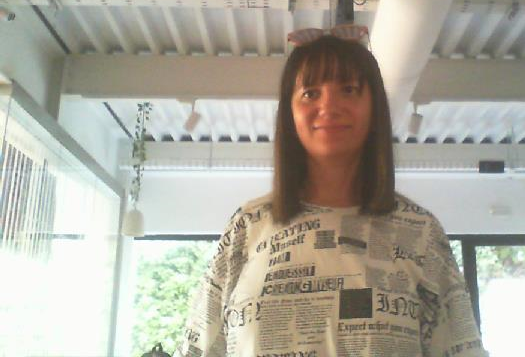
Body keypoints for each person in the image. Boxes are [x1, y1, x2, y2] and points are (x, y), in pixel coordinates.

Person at [174, 28, 485, 357]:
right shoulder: (246, 226)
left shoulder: (422, 232)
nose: (329, 106)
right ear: (290, 113)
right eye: (310, 93)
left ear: (374, 108)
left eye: (349, 89)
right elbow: (198, 349)